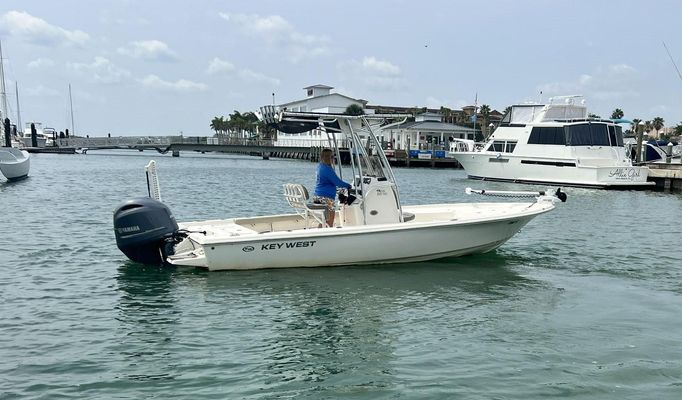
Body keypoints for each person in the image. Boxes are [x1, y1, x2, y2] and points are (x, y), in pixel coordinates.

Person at [313, 148, 352, 227]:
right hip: (326, 198)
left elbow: (328, 183)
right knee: (329, 220)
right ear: (328, 157)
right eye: (332, 157)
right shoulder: (327, 169)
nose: (334, 158)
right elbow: (338, 182)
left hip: (318, 196)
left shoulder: (320, 166)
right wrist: (349, 185)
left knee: (323, 220)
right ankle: (327, 233)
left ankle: (321, 232)